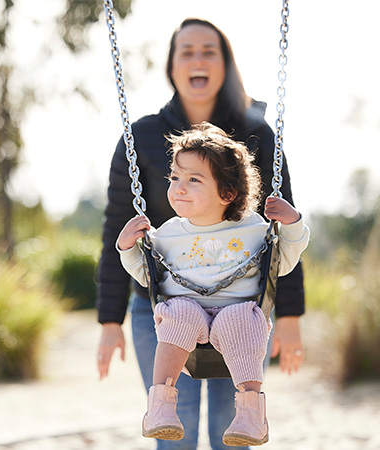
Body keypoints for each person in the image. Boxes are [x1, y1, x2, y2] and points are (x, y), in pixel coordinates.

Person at [97, 18, 307, 450]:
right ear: (172, 66)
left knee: (229, 433)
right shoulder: (142, 137)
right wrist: (108, 320)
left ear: (225, 64)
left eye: (209, 51)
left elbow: (278, 236)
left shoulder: (257, 134)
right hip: (163, 306)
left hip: (241, 306)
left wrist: (289, 315)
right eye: (186, 51)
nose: (197, 59)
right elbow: (116, 228)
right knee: (175, 431)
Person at [117, 123, 309, 446]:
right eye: (175, 178)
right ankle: (162, 405)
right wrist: (126, 248)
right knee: (176, 311)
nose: (179, 187)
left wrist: (291, 224)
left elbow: (282, 262)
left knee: (243, 320)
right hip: (187, 320)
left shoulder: (253, 229)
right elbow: (148, 275)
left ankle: (250, 412)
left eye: (193, 180)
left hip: (235, 317)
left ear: (227, 193)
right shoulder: (166, 234)